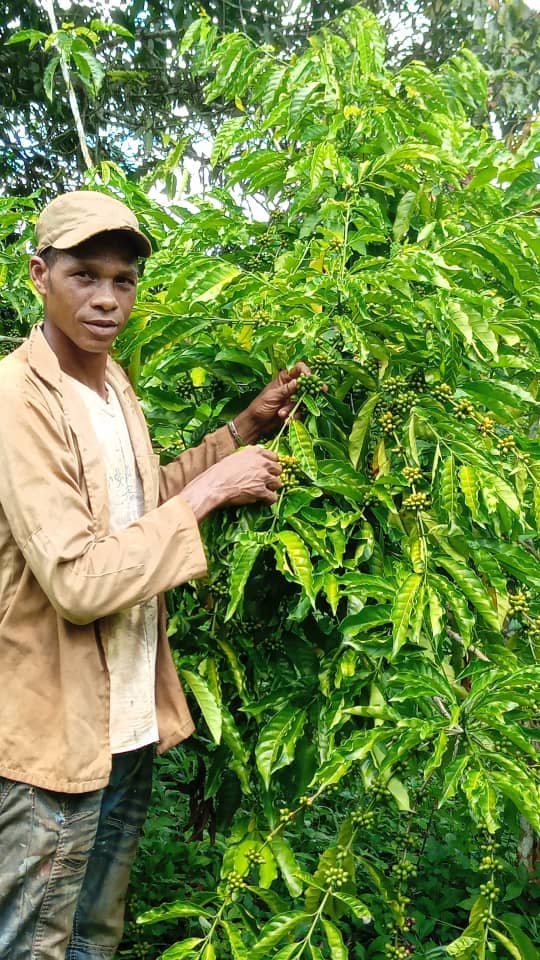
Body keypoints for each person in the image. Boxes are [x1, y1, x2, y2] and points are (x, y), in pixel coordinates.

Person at [0, 190, 307, 959]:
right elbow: (78, 580)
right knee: (37, 942)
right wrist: (212, 492)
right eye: (84, 276)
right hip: (54, 739)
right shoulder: (16, 400)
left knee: (96, 936)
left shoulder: (112, 388)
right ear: (39, 275)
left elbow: (137, 510)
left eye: (124, 279)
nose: (107, 299)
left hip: (126, 729)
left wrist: (241, 432)